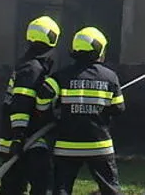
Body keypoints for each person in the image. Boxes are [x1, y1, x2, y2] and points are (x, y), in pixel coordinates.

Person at [47, 26, 126, 195]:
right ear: (99, 49)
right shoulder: (110, 77)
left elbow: (44, 102)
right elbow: (119, 108)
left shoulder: (60, 76)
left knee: (61, 189)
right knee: (110, 189)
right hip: (99, 144)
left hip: (66, 145)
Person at [0, 15, 60, 195]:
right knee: (42, 183)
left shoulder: (29, 64)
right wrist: (19, 136)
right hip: (26, 139)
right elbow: (21, 104)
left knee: (13, 186)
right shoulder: (32, 68)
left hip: (18, 137)